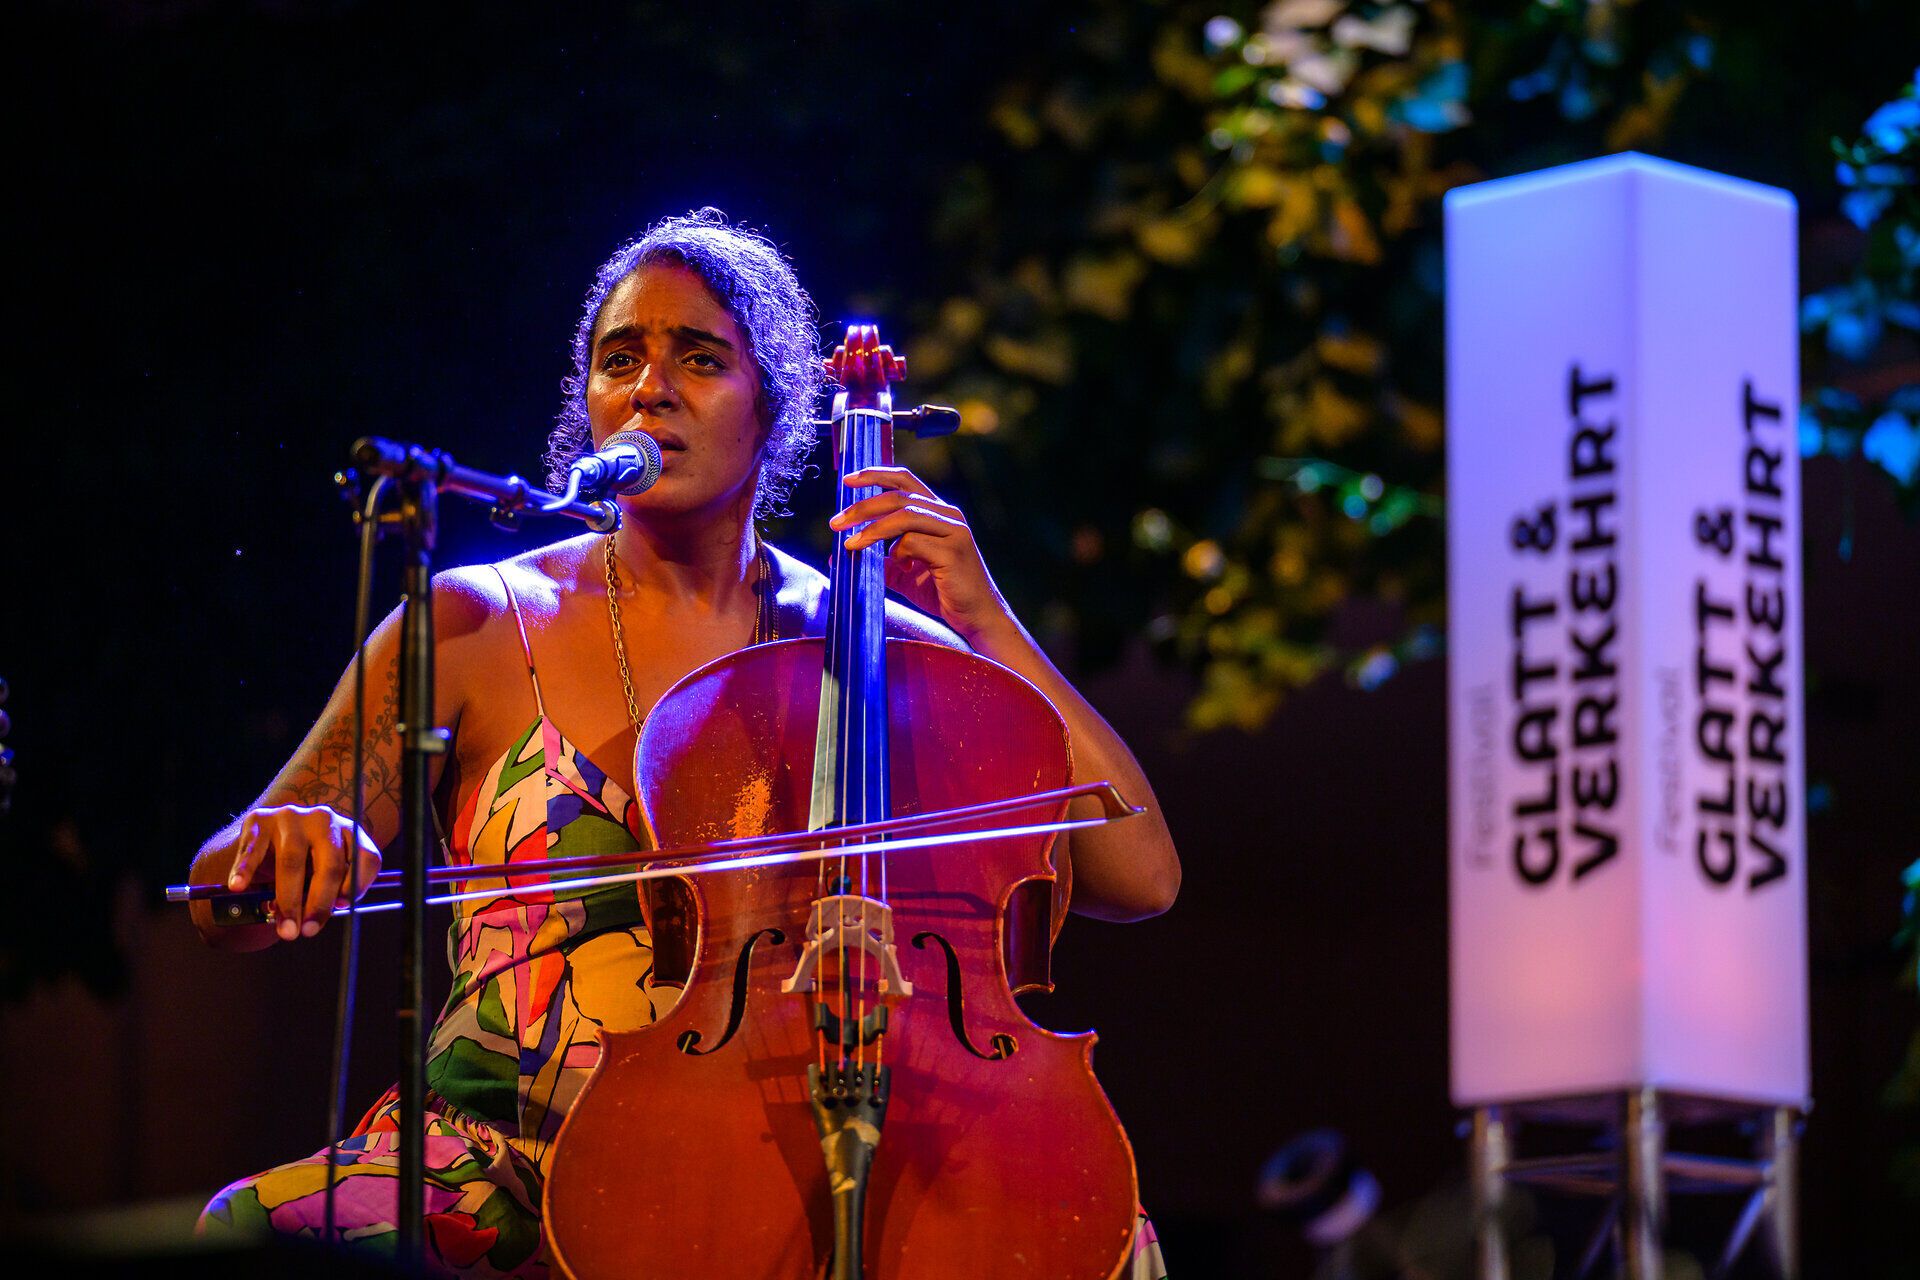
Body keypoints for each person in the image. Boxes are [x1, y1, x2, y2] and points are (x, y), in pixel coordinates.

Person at [191, 209, 1181, 1277]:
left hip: (786, 1161)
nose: (650, 388)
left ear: (774, 408)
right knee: (261, 1231)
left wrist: (984, 623)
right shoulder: (472, 624)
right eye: (620, 359)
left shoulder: (874, 645)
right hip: (506, 1168)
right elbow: (222, 901)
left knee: (1106, 1245)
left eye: (700, 358)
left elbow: (1140, 874)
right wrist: (279, 847)